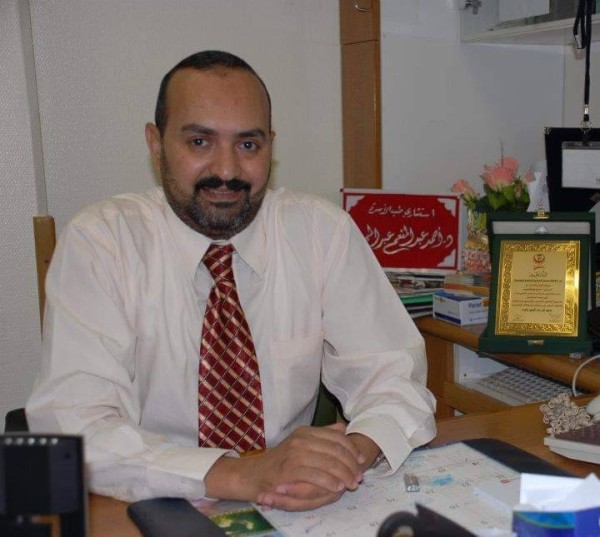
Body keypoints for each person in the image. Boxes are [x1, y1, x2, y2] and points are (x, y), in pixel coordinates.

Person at [26, 50, 436, 511]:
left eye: (248, 145)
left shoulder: (322, 232)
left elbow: (394, 377)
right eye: (200, 142)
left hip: (294, 501)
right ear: (156, 145)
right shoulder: (103, 241)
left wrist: (347, 456)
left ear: (271, 147)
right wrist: (239, 474)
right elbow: (72, 427)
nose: (226, 170)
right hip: (150, 499)